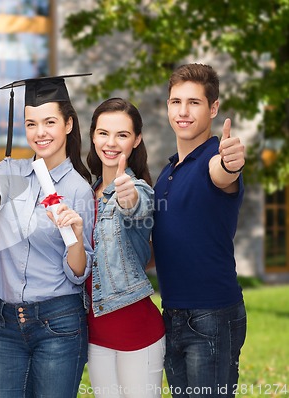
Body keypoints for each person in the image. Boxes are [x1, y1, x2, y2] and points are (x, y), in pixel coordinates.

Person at [0, 74, 95, 398]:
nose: (39, 133)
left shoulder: (78, 190)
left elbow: (79, 272)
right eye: (31, 123)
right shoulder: (7, 172)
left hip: (59, 322)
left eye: (49, 122)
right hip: (7, 323)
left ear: (68, 124)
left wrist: (76, 237)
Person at [152, 63, 247, 397]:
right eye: (176, 102)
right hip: (173, 312)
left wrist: (231, 163)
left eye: (194, 102)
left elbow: (223, 173)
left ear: (214, 108)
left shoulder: (213, 159)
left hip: (212, 316)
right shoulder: (166, 174)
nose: (183, 111)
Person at [85, 98, 166, 398]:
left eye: (122, 135)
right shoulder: (86, 191)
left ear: (137, 139)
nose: (111, 142)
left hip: (137, 333)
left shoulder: (138, 188)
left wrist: (126, 196)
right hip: (96, 336)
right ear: (93, 136)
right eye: (104, 133)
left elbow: (138, 207)